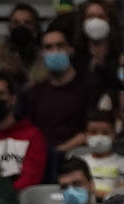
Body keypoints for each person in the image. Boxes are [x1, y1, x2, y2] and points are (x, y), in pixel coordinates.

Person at [20, 25, 99, 153]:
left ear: (70, 49)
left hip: (80, 153)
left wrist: (58, 152)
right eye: (48, 47)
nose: (55, 51)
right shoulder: (34, 92)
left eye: (60, 45)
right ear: (42, 53)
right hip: (43, 154)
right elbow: (30, 130)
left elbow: (91, 129)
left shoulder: (90, 85)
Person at [0, 71, 46, 190]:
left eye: (0, 94)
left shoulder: (32, 135)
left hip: (16, 200)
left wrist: (4, 197)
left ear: (13, 99)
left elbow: (31, 178)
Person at [75, 111, 124, 198]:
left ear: (114, 134)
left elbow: (123, 191)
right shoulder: (79, 161)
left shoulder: (123, 162)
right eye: (93, 132)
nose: (99, 137)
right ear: (86, 134)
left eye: (105, 133)